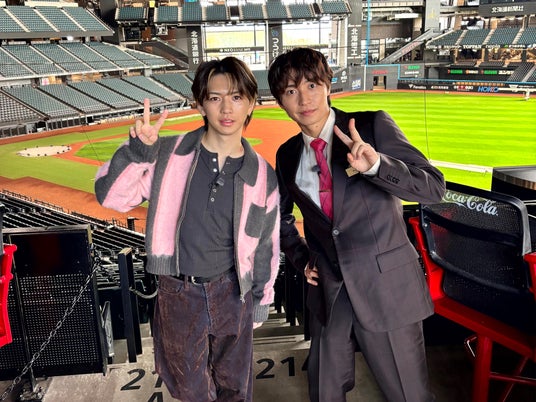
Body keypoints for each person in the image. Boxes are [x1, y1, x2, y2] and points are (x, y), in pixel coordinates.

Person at [95, 57, 280, 402]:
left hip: (234, 293)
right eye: (215, 97)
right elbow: (111, 196)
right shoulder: (168, 154)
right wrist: (138, 152)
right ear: (200, 104)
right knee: (190, 391)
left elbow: (265, 245)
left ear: (252, 103)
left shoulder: (262, 175)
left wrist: (261, 299)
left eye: (236, 97)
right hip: (178, 293)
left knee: (236, 389)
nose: (226, 108)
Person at [268, 47, 446, 402]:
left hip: (385, 285)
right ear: (280, 101)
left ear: (328, 85)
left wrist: (377, 166)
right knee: (324, 391)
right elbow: (279, 216)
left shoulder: (371, 126)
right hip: (330, 290)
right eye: (290, 90)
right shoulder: (287, 154)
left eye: (311, 85)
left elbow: (433, 187)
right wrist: (301, 259)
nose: (304, 99)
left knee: (407, 394)